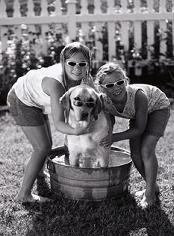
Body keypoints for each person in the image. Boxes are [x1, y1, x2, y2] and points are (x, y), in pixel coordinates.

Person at [7, 42, 93, 203]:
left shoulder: (84, 78)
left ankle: (39, 172)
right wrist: (76, 131)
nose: (77, 68)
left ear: (88, 64)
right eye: (72, 63)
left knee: (47, 143)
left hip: (37, 100)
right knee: (42, 147)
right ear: (63, 63)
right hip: (21, 99)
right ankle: (23, 195)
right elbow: (60, 123)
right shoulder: (56, 84)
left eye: (83, 64)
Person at [95, 62, 170, 208]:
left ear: (126, 81)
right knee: (135, 154)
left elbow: (139, 129)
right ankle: (152, 187)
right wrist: (107, 135)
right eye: (109, 85)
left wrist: (113, 138)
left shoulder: (138, 96)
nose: (116, 87)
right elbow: (109, 120)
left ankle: (149, 196)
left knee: (146, 149)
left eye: (120, 82)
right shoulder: (103, 100)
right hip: (137, 115)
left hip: (158, 107)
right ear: (101, 88)